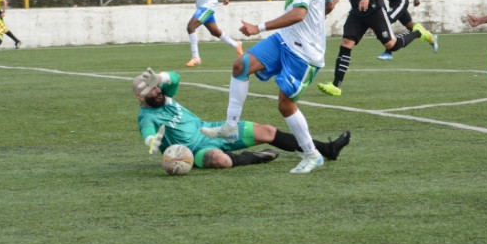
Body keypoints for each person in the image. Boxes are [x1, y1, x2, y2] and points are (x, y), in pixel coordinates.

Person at [200, 0, 337, 174]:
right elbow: (327, 3)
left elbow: (299, 13)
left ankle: (312, 154)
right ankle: (231, 126)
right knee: (241, 64)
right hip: (285, 39)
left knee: (285, 105)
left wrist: (259, 27)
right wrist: (320, 13)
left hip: (304, 52)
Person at [133, 68, 350, 169]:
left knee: (268, 131)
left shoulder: (165, 96)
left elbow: (176, 78)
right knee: (221, 161)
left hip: (212, 130)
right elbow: (148, 131)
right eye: (152, 90)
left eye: (157, 87)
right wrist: (151, 140)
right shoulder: (146, 116)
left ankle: (327, 149)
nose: (158, 91)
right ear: (140, 97)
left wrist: (161, 77)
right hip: (195, 151)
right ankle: (253, 157)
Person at [317, 0, 435, 96]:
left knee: (391, 45)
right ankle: (336, 86)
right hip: (357, 12)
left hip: (374, 10)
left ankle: (418, 33)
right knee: (346, 43)